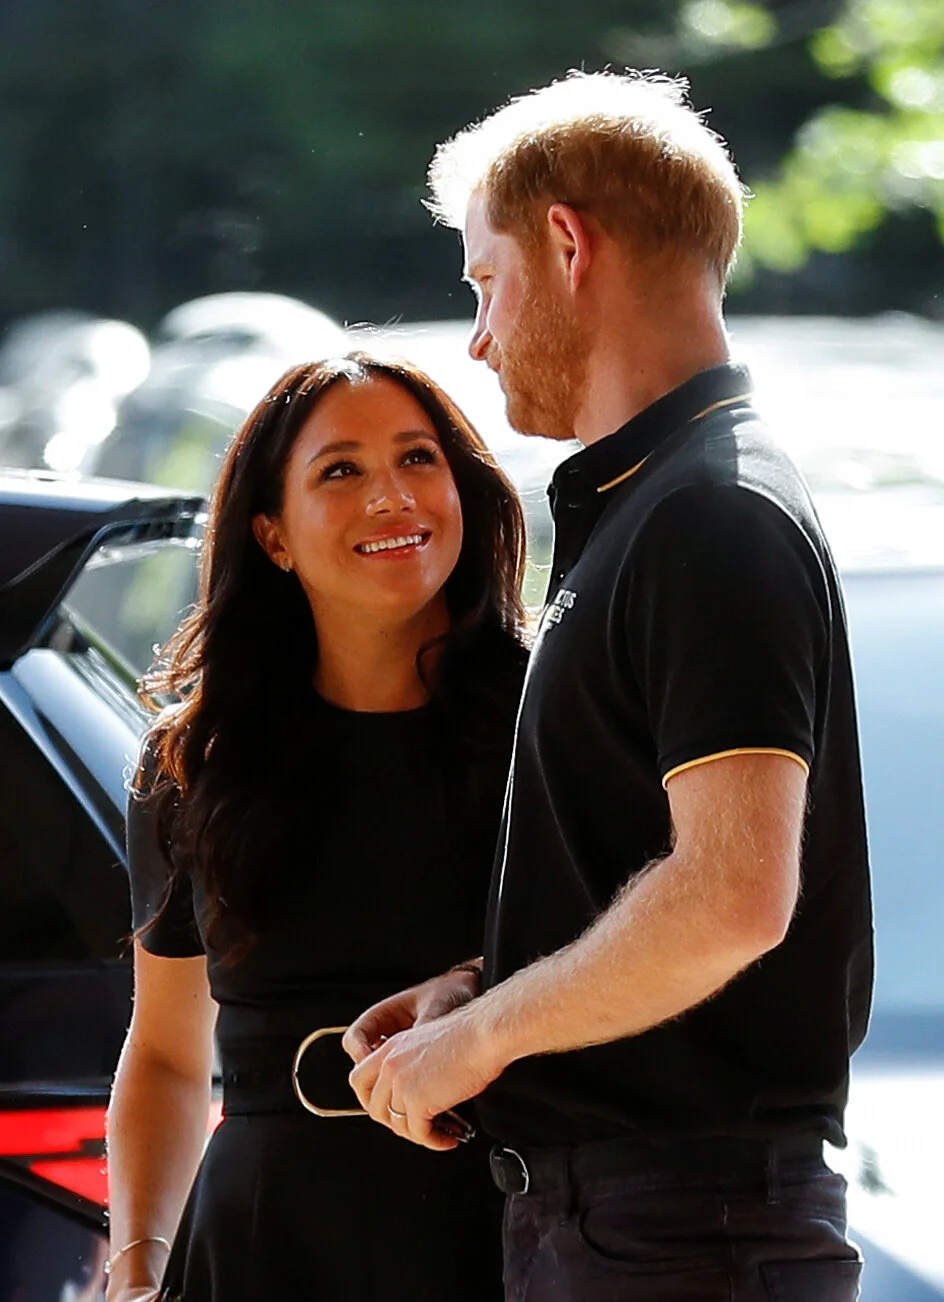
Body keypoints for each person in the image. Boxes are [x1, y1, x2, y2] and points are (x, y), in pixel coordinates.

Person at [344, 72, 873, 1302]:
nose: (477, 337)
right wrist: (483, 990)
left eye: (484, 281)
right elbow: (645, 870)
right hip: (638, 1226)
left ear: (567, 245)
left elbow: (730, 897)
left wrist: (478, 1041)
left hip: (682, 1232)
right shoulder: (658, 502)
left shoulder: (709, 511)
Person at [105, 353, 527, 1301]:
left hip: (502, 1235)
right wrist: (136, 1273)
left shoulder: (552, 726)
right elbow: (167, 1054)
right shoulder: (197, 761)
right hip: (261, 1246)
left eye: (418, 458)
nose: (391, 495)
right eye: (342, 470)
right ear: (273, 536)